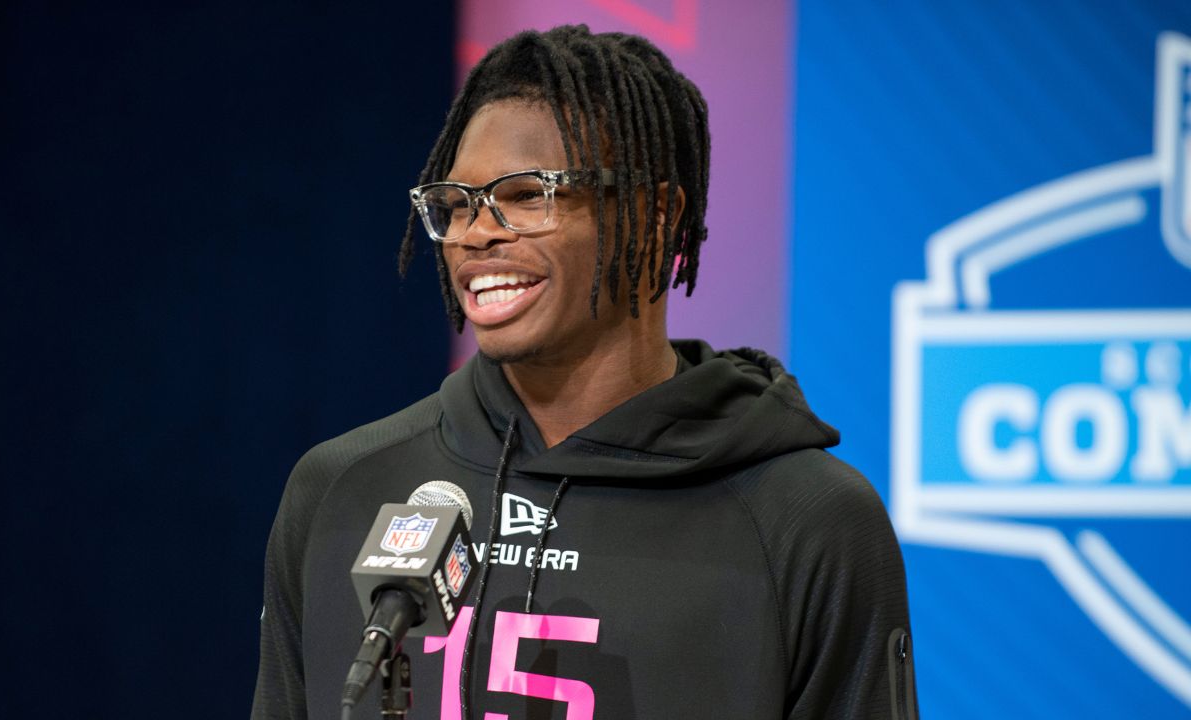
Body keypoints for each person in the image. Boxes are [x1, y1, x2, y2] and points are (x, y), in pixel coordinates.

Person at [253, 25, 917, 720]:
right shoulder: (340, 490)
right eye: (456, 204)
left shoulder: (808, 523)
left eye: (527, 194)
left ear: (657, 215)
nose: (477, 233)